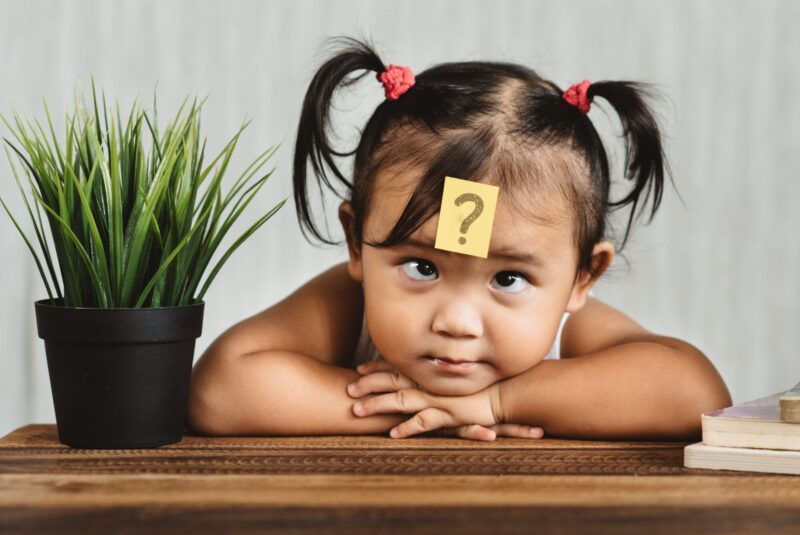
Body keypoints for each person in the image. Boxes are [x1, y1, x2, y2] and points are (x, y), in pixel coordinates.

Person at [187, 38, 731, 441]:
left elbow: (695, 396)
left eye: (509, 278)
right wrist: (416, 408)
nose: (457, 321)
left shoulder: (569, 329)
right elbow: (220, 392)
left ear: (581, 278)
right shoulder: (349, 304)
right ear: (358, 244)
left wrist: (496, 401)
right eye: (422, 268)